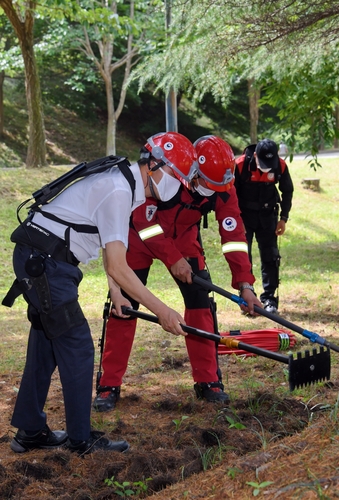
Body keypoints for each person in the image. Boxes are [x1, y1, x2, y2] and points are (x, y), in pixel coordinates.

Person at [2, 132, 197, 454]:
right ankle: (81, 440)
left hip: (43, 261)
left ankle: (30, 431)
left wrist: (117, 292)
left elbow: (111, 257)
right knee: (78, 347)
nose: (178, 185)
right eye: (177, 176)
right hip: (46, 266)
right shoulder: (119, 190)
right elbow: (119, 265)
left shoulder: (123, 185)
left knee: (47, 346)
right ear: (155, 166)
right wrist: (162, 310)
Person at [93, 135, 262, 413]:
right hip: (139, 238)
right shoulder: (170, 170)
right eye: (206, 184)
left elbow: (233, 234)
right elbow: (143, 221)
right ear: (194, 170)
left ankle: (208, 381)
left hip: (185, 240)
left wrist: (245, 284)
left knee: (200, 301)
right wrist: (172, 259)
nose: (212, 191)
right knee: (125, 306)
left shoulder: (223, 185)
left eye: (218, 187)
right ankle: (109, 384)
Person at [234, 138, 294, 314]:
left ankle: (269, 298)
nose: (267, 166)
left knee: (270, 256)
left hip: (268, 216)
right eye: (263, 162)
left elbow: (287, 191)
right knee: (244, 257)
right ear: (255, 156)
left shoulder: (280, 166)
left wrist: (283, 218)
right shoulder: (239, 166)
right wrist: (237, 221)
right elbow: (230, 195)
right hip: (244, 217)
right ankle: (247, 297)